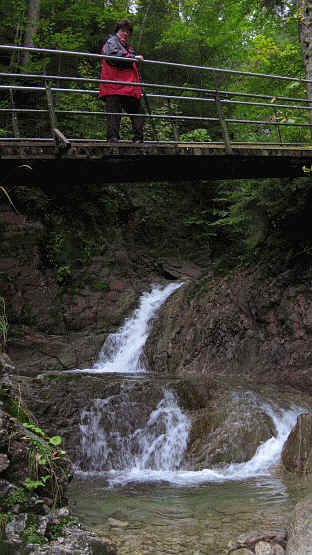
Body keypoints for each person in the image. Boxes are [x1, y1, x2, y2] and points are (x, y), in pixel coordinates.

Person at [99, 18, 144, 143]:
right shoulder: (111, 42)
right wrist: (133, 58)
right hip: (114, 86)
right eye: (123, 31)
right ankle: (113, 140)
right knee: (114, 114)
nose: (126, 34)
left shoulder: (128, 48)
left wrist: (132, 57)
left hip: (128, 88)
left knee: (138, 111)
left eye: (128, 32)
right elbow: (113, 57)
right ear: (117, 31)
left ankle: (138, 139)